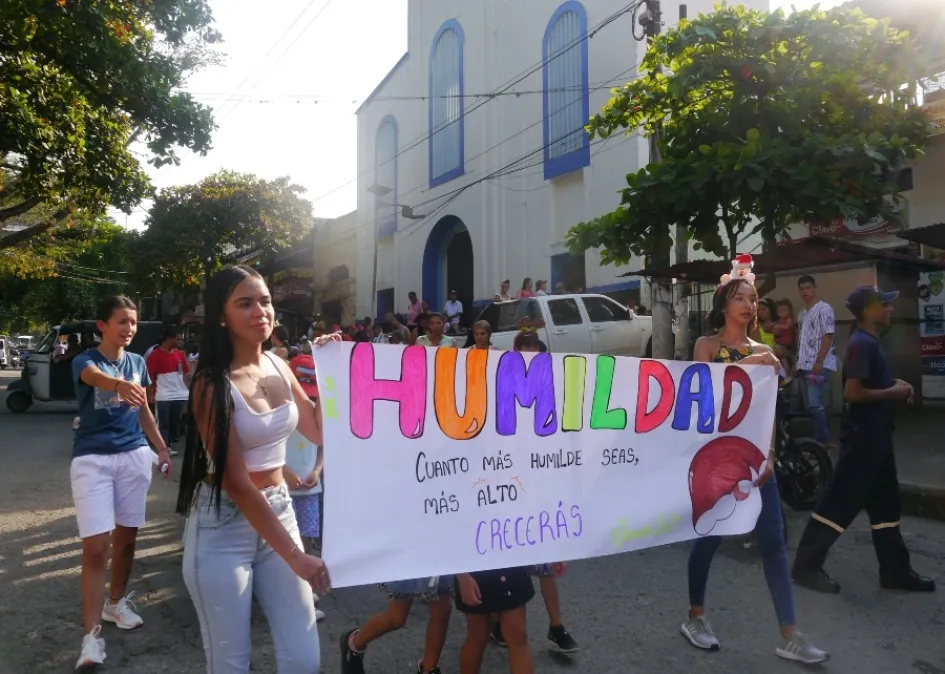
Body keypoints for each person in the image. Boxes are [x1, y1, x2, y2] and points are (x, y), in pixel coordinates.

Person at [176, 265, 333, 674]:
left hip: (279, 510)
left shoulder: (280, 366)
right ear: (221, 316)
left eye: (264, 300)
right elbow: (238, 484)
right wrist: (298, 558)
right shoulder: (212, 384)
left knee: (303, 659)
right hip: (222, 526)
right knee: (230, 664)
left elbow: (316, 429)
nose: (260, 310)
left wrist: (337, 370)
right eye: (244, 303)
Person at [680, 258, 828, 665]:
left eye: (752, 298)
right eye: (739, 297)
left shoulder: (765, 352)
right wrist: (750, 365)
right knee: (708, 538)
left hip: (757, 463)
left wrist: (770, 455)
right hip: (715, 462)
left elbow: (768, 411)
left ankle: (790, 634)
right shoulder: (707, 346)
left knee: (774, 544)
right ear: (724, 304)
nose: (748, 304)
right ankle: (696, 616)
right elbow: (705, 396)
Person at [792, 286, 936, 594]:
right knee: (839, 502)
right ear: (868, 311)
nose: (890, 309)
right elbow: (852, 393)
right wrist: (893, 392)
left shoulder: (871, 341)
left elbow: (872, 385)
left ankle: (895, 571)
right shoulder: (861, 343)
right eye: (884, 304)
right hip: (863, 438)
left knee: (886, 505)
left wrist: (895, 384)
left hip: (879, 437)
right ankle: (805, 566)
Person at [71, 296, 173, 670]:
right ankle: (91, 639)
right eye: (121, 322)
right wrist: (117, 384)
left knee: (127, 539)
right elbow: (92, 378)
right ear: (103, 325)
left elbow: (144, 410)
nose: (129, 328)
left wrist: (161, 449)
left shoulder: (138, 362)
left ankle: (116, 604)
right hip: (92, 460)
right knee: (97, 548)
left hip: (133, 457)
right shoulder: (87, 360)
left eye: (133, 322)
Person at [488, 330, 577, 658]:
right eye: (525, 352)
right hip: (508, 488)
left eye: (535, 352)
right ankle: (498, 622)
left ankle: (557, 626)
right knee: (506, 562)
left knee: (547, 566)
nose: (531, 357)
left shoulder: (547, 389)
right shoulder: (500, 386)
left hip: (538, 486)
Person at [795, 275, 837, 446]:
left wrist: (819, 362)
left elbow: (828, 336)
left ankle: (822, 439)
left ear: (814, 288)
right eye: (802, 288)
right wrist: (796, 361)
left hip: (817, 364)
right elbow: (801, 340)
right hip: (803, 364)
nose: (805, 291)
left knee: (814, 402)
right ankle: (817, 439)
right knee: (809, 404)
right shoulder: (801, 314)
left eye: (808, 288)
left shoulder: (824, 309)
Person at [146, 325, 190, 456]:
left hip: (178, 395)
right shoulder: (155, 355)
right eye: (177, 339)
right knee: (163, 422)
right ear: (169, 338)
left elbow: (184, 374)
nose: (180, 342)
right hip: (163, 395)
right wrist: (150, 395)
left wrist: (187, 391)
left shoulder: (179, 355)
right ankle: (163, 447)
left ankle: (168, 444)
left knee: (174, 422)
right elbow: (149, 378)